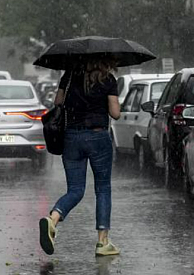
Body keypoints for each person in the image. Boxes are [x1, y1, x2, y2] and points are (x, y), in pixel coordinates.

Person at [39, 58, 121, 257]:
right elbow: (115, 113)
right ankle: (103, 242)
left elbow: (58, 103)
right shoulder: (108, 79)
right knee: (103, 188)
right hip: (98, 136)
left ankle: (53, 219)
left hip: (72, 137)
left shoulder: (69, 77)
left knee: (75, 189)